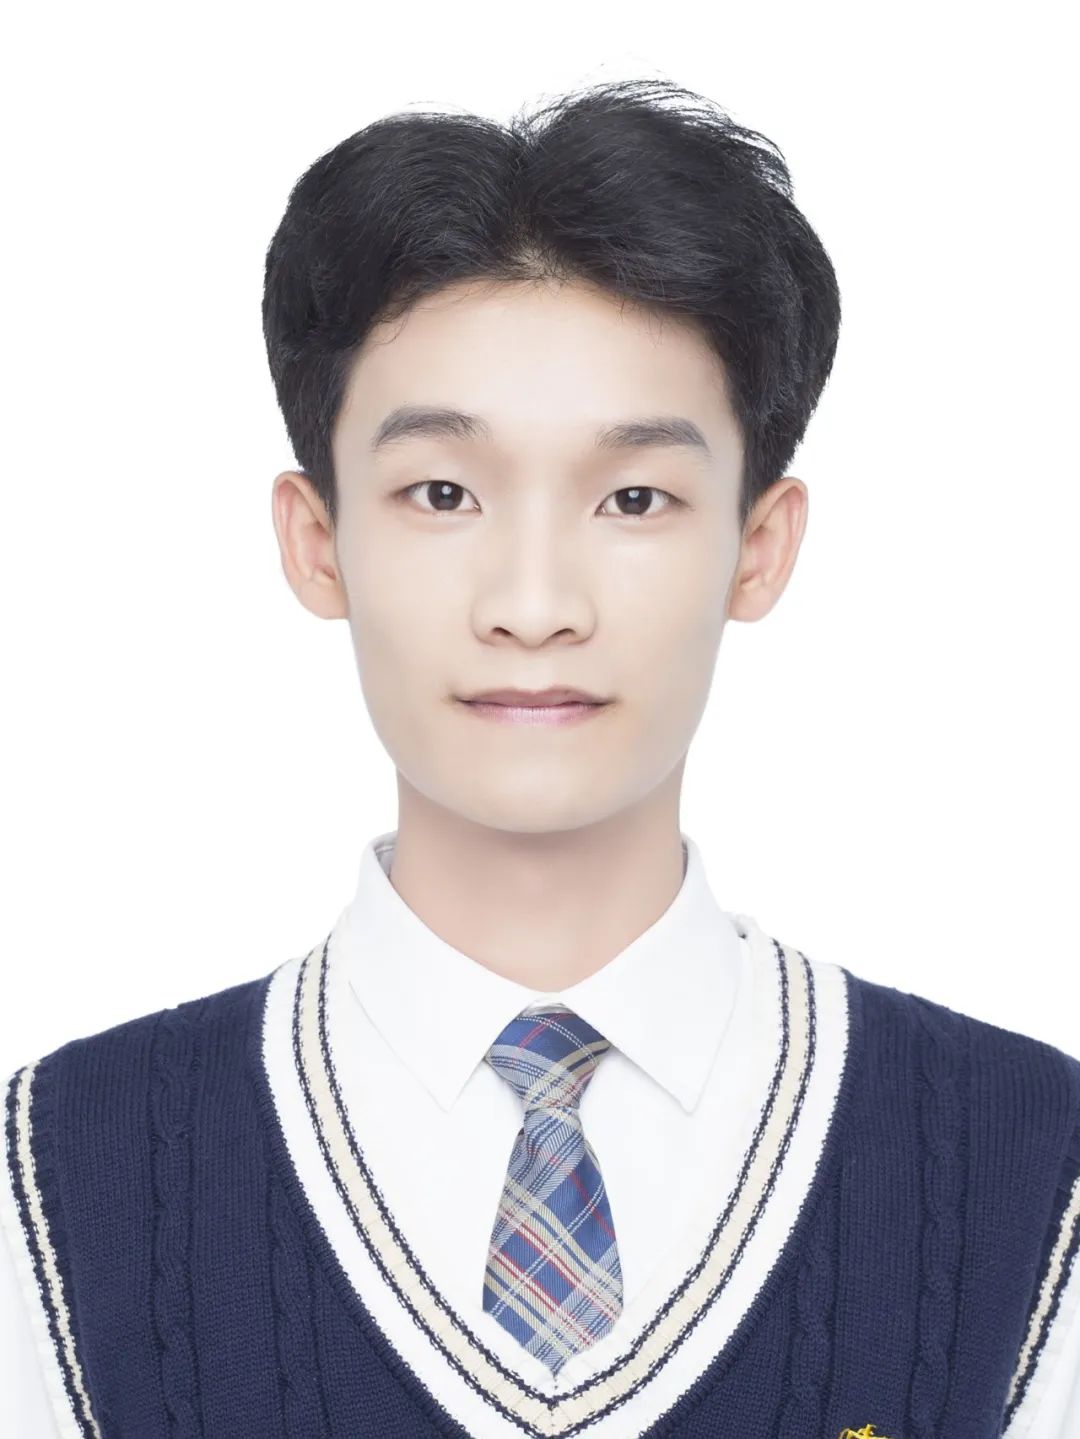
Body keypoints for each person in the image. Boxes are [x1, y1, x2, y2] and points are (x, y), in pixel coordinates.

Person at [2, 77, 1077, 1438]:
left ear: (758, 546)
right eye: (441, 492)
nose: (532, 602)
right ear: (318, 541)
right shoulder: (58, 1186)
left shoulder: (1030, 1173)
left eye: (634, 497)